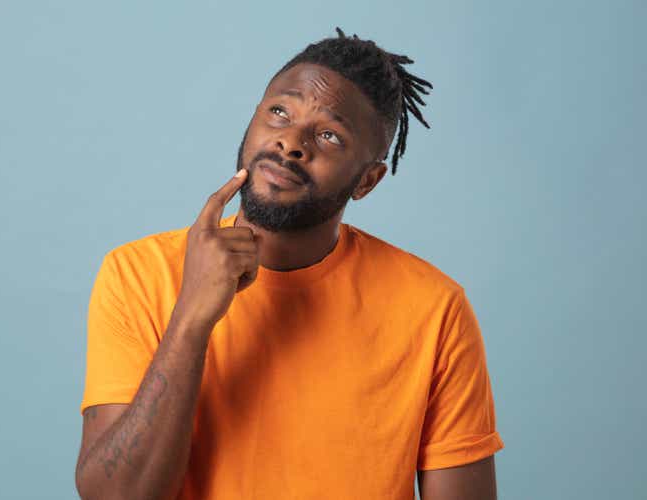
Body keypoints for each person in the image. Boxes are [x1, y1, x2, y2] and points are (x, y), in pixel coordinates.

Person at [74, 27, 504, 500]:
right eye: (279, 112)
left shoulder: (434, 309)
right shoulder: (136, 274)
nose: (291, 142)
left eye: (329, 135)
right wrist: (191, 318)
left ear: (368, 181)